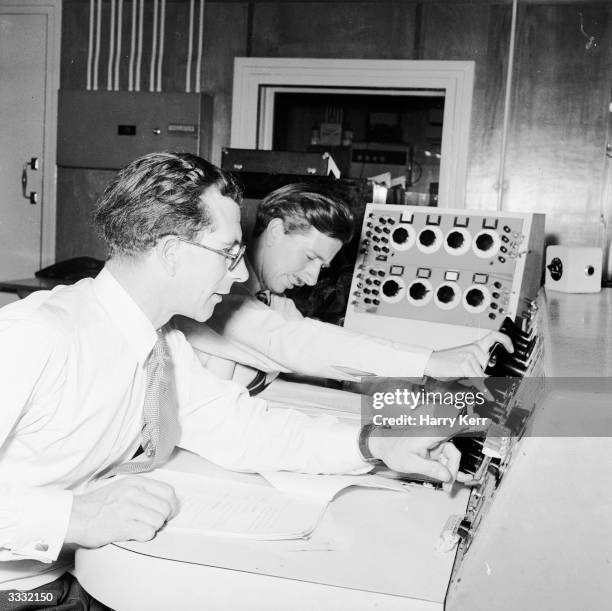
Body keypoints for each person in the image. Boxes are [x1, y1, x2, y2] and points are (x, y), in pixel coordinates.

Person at [0, 153, 464, 605]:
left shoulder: (159, 342)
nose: (241, 271)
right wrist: (76, 515)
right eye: (228, 252)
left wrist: (375, 444)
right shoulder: (35, 336)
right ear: (172, 253)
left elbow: (239, 427)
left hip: (62, 578)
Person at [177, 183, 513, 392]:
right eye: (309, 257)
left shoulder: (276, 304)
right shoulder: (213, 293)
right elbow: (291, 343)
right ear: (277, 231)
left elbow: (324, 352)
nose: (310, 279)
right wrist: (430, 361)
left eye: (320, 267)